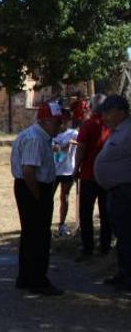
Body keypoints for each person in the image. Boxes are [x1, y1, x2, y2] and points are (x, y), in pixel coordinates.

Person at [10, 101, 65, 296]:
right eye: (57, 122)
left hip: (31, 187)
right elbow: (28, 171)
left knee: (30, 234)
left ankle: (26, 277)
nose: (61, 126)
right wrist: (38, 196)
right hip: (33, 188)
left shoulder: (39, 136)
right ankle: (37, 280)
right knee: (39, 236)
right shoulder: (35, 139)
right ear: (45, 121)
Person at [94, 95, 131, 291]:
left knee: (127, 235)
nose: (104, 116)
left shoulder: (128, 131)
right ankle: (123, 273)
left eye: (108, 112)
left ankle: (128, 277)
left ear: (121, 112)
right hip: (116, 192)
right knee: (122, 235)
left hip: (126, 192)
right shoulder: (117, 131)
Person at [74, 93, 112, 260]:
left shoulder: (88, 125)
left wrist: (76, 168)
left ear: (91, 107)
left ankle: (88, 248)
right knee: (106, 213)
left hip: (89, 175)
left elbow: (81, 147)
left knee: (86, 213)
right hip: (107, 176)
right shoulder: (111, 125)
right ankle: (105, 246)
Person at [53, 113, 78, 237]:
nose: (62, 123)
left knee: (65, 197)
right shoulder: (52, 133)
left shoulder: (74, 134)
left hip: (68, 170)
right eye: (60, 120)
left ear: (69, 120)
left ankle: (62, 225)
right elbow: (53, 150)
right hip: (53, 171)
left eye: (65, 120)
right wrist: (59, 147)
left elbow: (79, 150)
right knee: (48, 198)